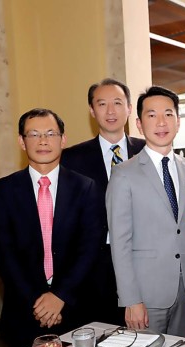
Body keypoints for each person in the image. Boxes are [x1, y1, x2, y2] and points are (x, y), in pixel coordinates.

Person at [0, 108, 104, 347]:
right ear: (22, 141)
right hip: (24, 311)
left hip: (76, 308)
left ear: (63, 139)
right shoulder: (1, 191)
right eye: (34, 134)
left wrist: (60, 296)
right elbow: (4, 255)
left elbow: (90, 247)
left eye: (51, 133)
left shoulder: (86, 187)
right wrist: (39, 304)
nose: (43, 140)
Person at [106, 86, 185, 337]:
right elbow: (120, 242)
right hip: (146, 294)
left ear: (179, 122)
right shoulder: (123, 174)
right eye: (152, 115)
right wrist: (130, 298)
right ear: (138, 124)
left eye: (168, 114)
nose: (161, 122)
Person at [61, 78, 145, 325]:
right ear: (91, 110)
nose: (111, 111)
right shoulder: (72, 159)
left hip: (141, 258)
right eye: (102, 104)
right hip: (94, 264)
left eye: (118, 103)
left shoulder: (147, 152)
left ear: (129, 109)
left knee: (145, 337)